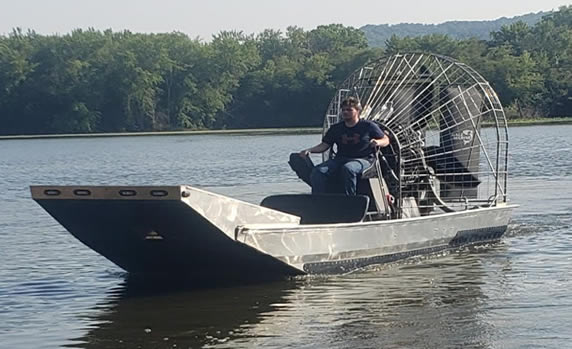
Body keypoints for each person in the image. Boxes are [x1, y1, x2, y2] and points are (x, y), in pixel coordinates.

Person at [299, 97, 390, 195]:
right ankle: (319, 199)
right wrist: (310, 150)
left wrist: (378, 142)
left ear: (357, 111)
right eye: (343, 110)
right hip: (340, 159)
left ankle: (350, 199)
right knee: (318, 171)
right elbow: (324, 145)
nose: (345, 112)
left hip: (364, 160)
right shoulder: (336, 128)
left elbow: (386, 140)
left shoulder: (368, 126)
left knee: (348, 168)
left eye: (349, 110)